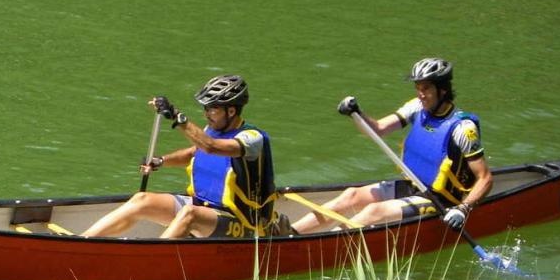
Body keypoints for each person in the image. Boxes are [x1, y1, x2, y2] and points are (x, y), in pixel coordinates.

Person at [290, 57, 493, 234]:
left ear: (442, 90)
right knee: (351, 195)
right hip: (413, 185)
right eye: (418, 88)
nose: (420, 94)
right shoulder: (416, 107)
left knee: (373, 212)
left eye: (426, 89)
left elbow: (485, 179)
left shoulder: (463, 128)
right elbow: (378, 129)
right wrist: (356, 114)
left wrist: (463, 209)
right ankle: (291, 233)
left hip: (442, 201)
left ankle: (319, 244)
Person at [82, 74, 285, 239]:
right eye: (205, 108)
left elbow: (211, 147)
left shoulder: (252, 138)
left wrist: (177, 117)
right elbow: (194, 153)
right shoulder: (212, 128)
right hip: (204, 207)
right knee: (141, 199)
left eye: (212, 109)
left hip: (243, 223)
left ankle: (150, 260)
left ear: (231, 111)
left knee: (189, 215)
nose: (206, 114)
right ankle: (84, 242)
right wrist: (161, 161)